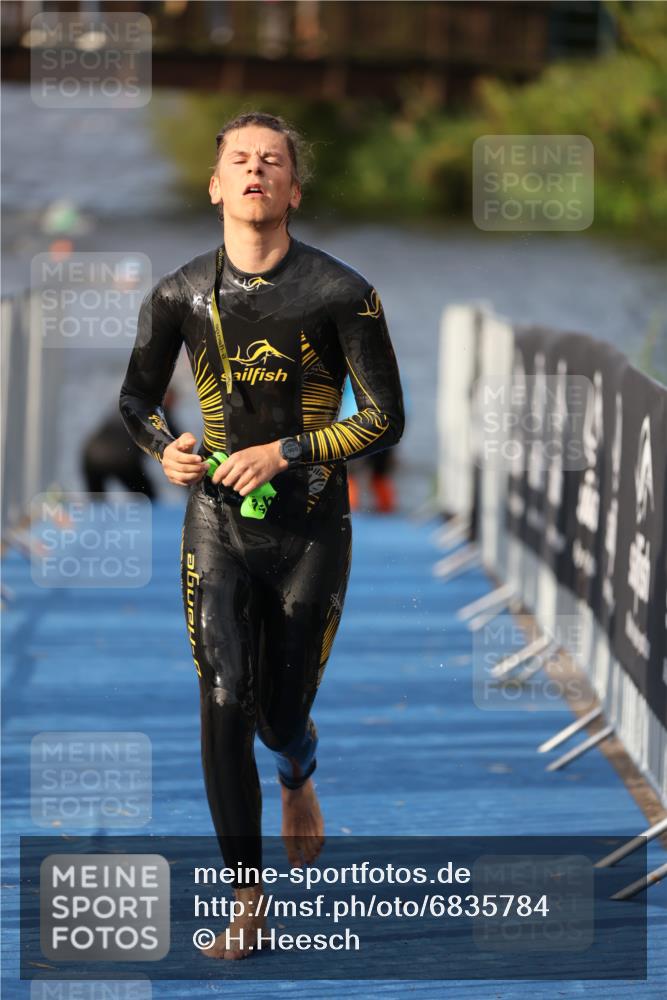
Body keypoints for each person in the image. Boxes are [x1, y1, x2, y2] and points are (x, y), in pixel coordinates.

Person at [119, 111, 405, 959]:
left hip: (312, 527)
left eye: (270, 162)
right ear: (214, 186)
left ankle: (297, 770)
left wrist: (285, 450)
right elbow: (136, 402)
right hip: (216, 525)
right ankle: (249, 902)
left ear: (293, 190)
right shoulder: (178, 294)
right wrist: (163, 448)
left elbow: (387, 420)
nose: (253, 172)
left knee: (279, 716)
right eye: (237, 161)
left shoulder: (339, 292)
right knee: (220, 698)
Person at [82, 388, 180, 499]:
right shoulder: (159, 412)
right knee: (148, 499)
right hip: (122, 458)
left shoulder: (126, 405)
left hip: (91, 455)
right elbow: (179, 450)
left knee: (96, 505)